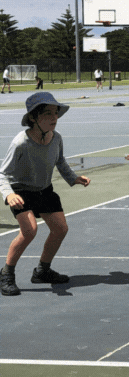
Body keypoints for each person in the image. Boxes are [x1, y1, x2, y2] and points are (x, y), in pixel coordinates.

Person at [0, 92, 91, 296]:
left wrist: (73, 178)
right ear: (33, 118)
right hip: (21, 192)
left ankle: (42, 270)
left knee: (60, 229)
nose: (54, 118)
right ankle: (6, 274)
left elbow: (60, 161)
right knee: (30, 230)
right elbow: (2, 173)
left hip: (45, 190)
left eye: (56, 114)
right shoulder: (20, 143)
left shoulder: (56, 138)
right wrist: (8, 195)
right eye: (48, 114)